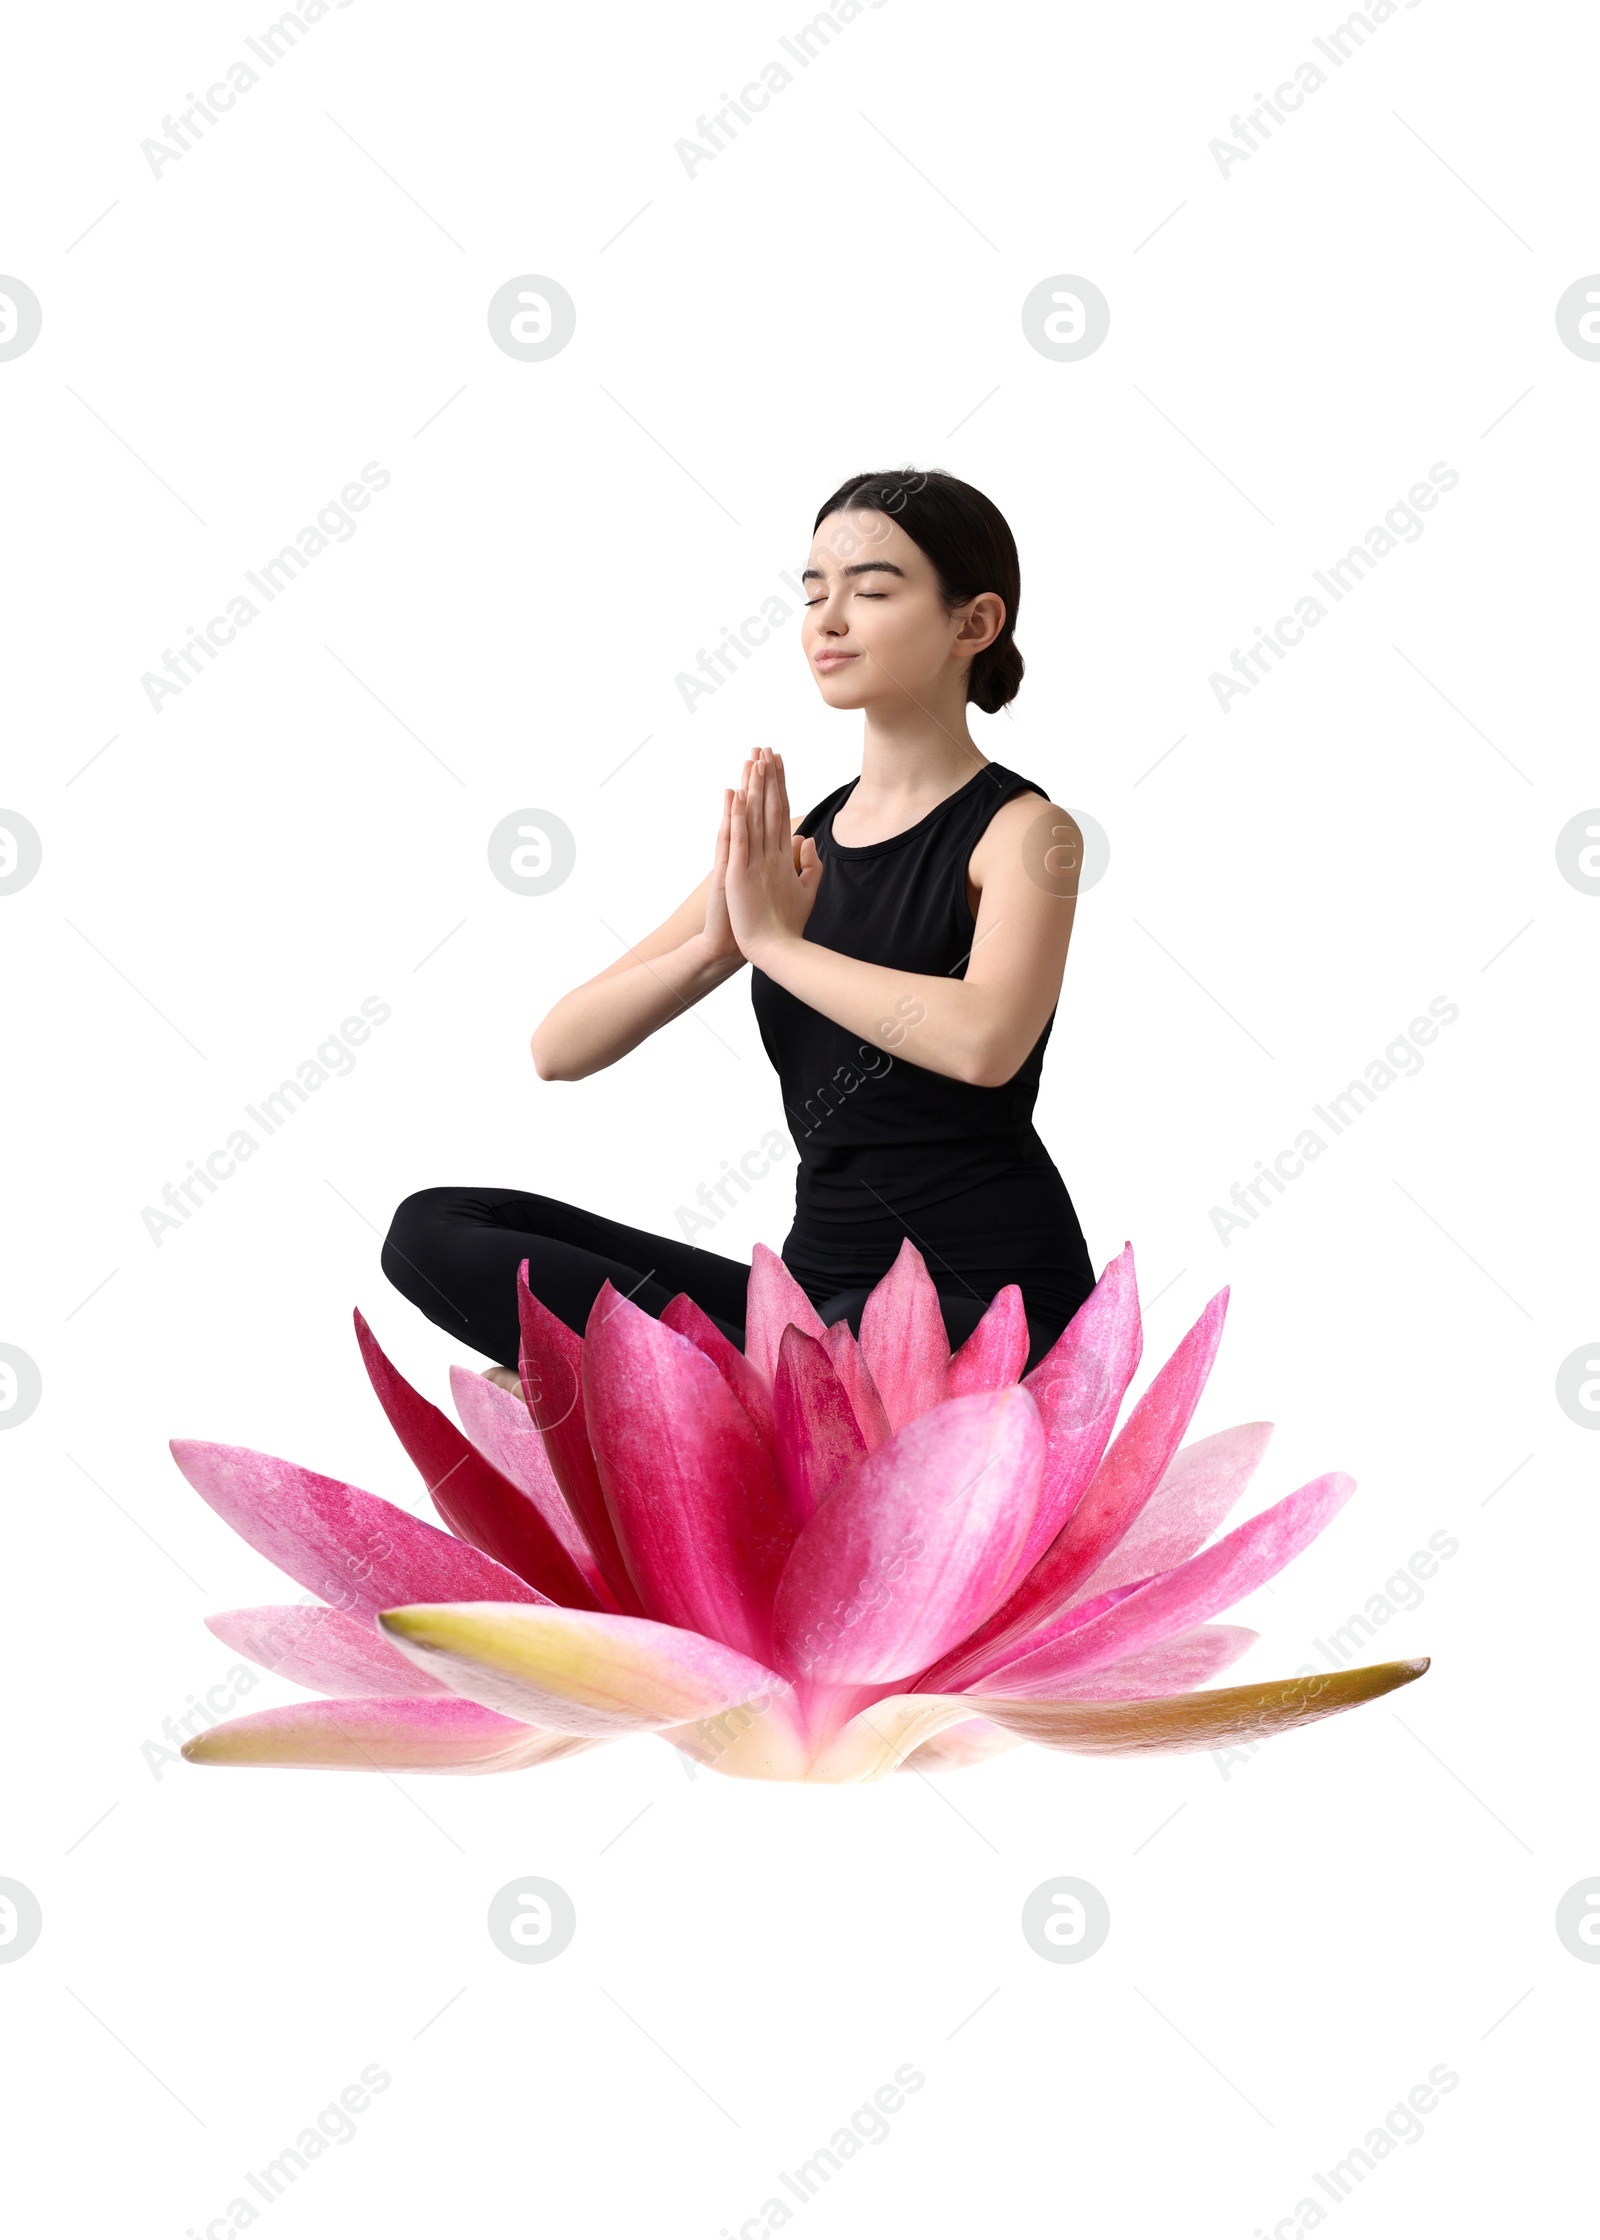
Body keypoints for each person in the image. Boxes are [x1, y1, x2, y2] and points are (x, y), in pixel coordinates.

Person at [382, 467, 1097, 1386]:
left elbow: (985, 1043)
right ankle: (702, 1390)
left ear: (974, 623)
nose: (827, 619)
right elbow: (558, 1048)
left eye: (871, 590)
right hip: (808, 1302)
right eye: (812, 593)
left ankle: (653, 1394)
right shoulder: (791, 850)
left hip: (991, 1298)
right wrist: (719, 945)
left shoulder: (1025, 832)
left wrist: (776, 946)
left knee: (845, 1345)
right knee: (433, 1230)